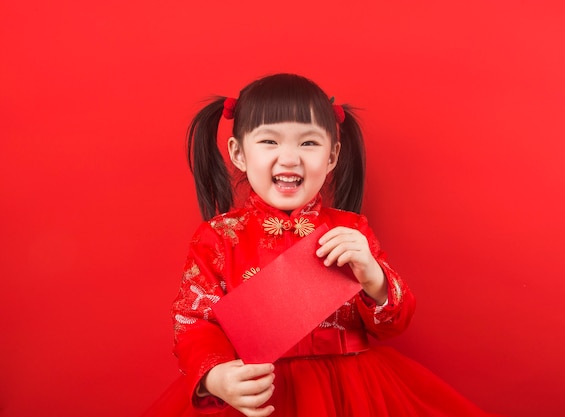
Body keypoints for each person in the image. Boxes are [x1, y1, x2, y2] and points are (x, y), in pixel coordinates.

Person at [143, 73, 503, 417]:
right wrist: (216, 377)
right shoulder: (218, 237)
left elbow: (392, 323)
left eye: (309, 142)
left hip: (352, 390)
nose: (289, 158)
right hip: (260, 392)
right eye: (269, 141)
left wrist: (372, 276)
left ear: (331, 157)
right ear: (238, 153)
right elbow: (192, 322)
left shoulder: (351, 229)